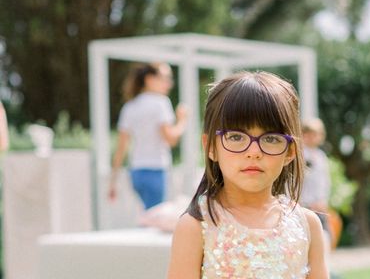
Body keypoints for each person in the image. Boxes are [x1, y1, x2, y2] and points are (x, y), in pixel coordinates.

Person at [167, 71, 328, 279]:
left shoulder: (307, 225)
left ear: (290, 151)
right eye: (235, 136)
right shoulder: (196, 227)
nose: (254, 151)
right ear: (210, 147)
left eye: (270, 139)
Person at [109, 62, 187, 210]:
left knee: (148, 215)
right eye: (165, 78)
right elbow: (171, 139)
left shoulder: (129, 106)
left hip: (136, 173)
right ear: (149, 79)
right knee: (154, 220)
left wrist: (113, 182)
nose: (169, 84)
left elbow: (121, 147)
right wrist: (182, 120)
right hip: (156, 171)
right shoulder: (161, 103)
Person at [300, 118, 332, 249]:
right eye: (307, 134)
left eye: (314, 134)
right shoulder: (300, 155)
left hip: (320, 206)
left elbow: (325, 182)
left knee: (324, 239)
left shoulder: (321, 156)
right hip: (305, 205)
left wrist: (323, 200)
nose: (310, 138)